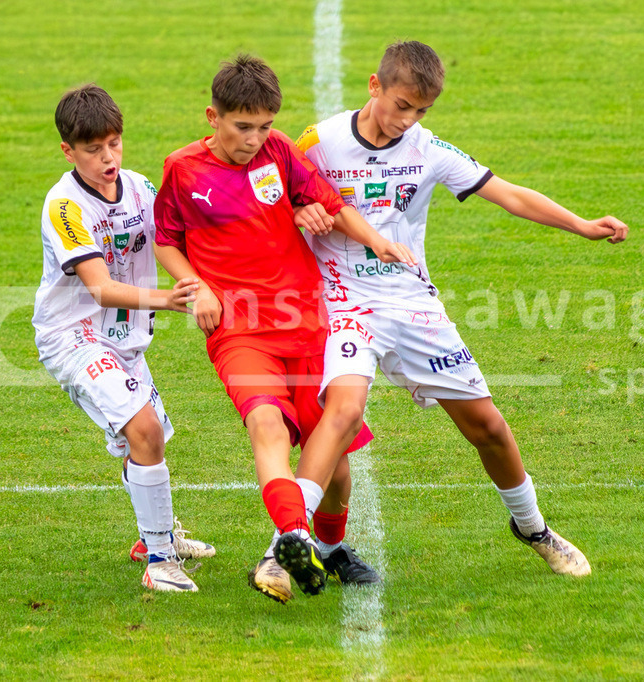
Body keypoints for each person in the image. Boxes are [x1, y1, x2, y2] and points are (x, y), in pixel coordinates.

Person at [290, 40, 628, 578]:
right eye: (402, 105)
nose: (409, 120)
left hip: (411, 302)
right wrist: (301, 211)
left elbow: (509, 194)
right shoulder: (318, 143)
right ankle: (288, 543)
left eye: (421, 111)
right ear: (375, 87)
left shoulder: (427, 149)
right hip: (341, 303)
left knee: (487, 427)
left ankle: (533, 527)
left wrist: (583, 225)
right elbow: (271, 198)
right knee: (344, 413)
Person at [152, 55, 416, 603]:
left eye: (265, 126)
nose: (254, 139)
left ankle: (330, 547)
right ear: (213, 117)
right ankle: (290, 536)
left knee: (337, 462)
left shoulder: (280, 154)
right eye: (242, 127)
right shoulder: (182, 169)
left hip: (307, 322)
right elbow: (166, 239)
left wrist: (365, 235)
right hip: (239, 330)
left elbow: (324, 203)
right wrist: (196, 285)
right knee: (267, 428)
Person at [32, 84, 215, 593]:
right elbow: (100, 287)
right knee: (145, 431)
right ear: (68, 151)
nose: (108, 158)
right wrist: (171, 299)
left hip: (124, 340)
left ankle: (154, 538)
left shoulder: (136, 186)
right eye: (93, 150)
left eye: (114, 143)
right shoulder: (64, 207)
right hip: (74, 337)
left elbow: (174, 236)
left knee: (151, 437)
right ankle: (159, 562)